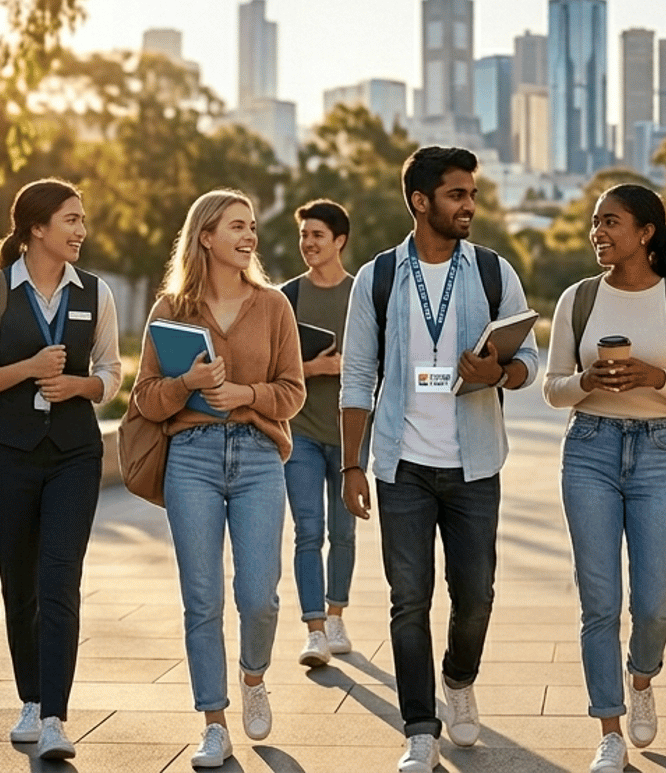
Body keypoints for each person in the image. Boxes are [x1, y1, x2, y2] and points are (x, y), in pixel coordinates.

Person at [339, 146, 541, 773]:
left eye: (473, 195)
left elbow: (529, 359)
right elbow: (356, 376)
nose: (470, 207)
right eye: (458, 195)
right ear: (420, 201)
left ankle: (459, 678)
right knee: (408, 599)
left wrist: (498, 371)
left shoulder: (490, 271)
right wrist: (352, 466)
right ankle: (419, 727)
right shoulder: (377, 277)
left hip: (475, 464)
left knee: (475, 594)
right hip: (401, 466)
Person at [543, 184, 666, 773]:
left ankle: (641, 678)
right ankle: (609, 728)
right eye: (595, 223)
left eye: (611, 223)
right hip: (589, 448)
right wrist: (588, 382)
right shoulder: (578, 298)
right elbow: (552, 387)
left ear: (645, 233)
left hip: (660, 451)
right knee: (599, 601)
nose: (598, 233)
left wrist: (655, 377)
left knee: (655, 602)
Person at [132, 189, 305, 769]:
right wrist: (189, 384)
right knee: (200, 599)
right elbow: (147, 400)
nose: (249, 235)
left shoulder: (274, 306)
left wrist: (243, 395)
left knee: (259, 595)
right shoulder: (170, 310)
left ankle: (253, 676)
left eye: (252, 226)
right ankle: (213, 721)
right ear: (206, 236)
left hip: (258, 457)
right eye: (237, 225)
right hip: (192, 460)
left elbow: (293, 391)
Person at [0, 178, 121, 762]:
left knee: (59, 579)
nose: (81, 230)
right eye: (71, 219)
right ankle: (30, 697)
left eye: (82, 219)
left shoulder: (95, 293)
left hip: (75, 455)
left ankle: (54, 717)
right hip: (9, 457)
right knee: (18, 583)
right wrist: (26, 367)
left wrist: (81, 385)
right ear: (37, 229)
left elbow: (112, 373)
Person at [279, 199, 361, 669]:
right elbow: (274, 365)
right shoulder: (287, 297)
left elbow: (382, 361)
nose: (308, 244)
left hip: (350, 432)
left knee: (343, 530)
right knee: (307, 530)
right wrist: (318, 367)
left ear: (339, 241)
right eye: (304, 236)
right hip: (302, 432)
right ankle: (314, 630)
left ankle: (336, 616)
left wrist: (351, 368)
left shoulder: (362, 295)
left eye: (317, 236)